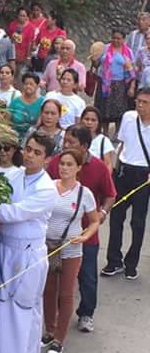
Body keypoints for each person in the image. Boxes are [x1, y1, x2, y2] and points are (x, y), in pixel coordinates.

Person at [0, 134, 58, 353]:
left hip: (28, 254)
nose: (30, 155)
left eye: (37, 152)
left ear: (47, 158)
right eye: (29, 149)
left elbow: (13, 212)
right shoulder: (14, 175)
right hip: (5, 248)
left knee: (24, 307)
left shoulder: (47, 188)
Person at [46, 125, 116, 333]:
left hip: (85, 237)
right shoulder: (56, 164)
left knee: (86, 276)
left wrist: (101, 215)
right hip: (56, 239)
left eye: (71, 143)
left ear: (84, 147)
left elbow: (111, 194)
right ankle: (52, 324)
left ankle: (86, 314)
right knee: (52, 284)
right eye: (65, 141)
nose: (65, 146)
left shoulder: (98, 168)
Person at [41, 149, 100, 353]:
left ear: (78, 168)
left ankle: (59, 338)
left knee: (65, 293)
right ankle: (49, 329)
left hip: (71, 249)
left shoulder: (84, 194)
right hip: (47, 247)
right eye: (62, 164)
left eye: (69, 164)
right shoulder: (49, 187)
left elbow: (94, 221)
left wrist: (85, 237)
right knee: (48, 290)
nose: (64, 168)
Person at [102, 88, 150, 280]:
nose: (140, 105)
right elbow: (121, 144)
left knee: (137, 222)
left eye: (145, 102)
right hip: (124, 170)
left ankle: (132, 263)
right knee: (116, 217)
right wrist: (114, 168)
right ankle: (113, 260)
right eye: (138, 101)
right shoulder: (129, 117)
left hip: (144, 174)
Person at [94, 29, 136, 135]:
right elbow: (97, 64)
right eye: (114, 38)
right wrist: (93, 59)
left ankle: (117, 133)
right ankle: (105, 132)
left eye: (118, 38)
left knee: (119, 110)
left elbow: (132, 71)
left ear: (123, 39)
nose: (116, 40)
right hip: (104, 83)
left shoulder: (127, 52)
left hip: (119, 84)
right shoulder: (105, 48)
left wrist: (131, 86)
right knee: (103, 108)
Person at [8, 73, 43, 139]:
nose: (28, 86)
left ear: (37, 85)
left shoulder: (42, 102)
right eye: (26, 84)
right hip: (14, 136)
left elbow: (39, 124)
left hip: (34, 138)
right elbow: (7, 121)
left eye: (31, 84)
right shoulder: (15, 102)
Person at [81, 106, 116, 171]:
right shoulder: (76, 138)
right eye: (86, 119)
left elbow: (108, 164)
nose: (89, 123)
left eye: (93, 120)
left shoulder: (104, 141)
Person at [7, 7, 37, 79]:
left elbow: (30, 43)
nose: (22, 18)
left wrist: (28, 57)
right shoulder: (13, 25)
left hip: (23, 56)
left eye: (24, 16)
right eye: (21, 15)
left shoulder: (31, 28)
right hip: (12, 55)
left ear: (27, 17)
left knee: (20, 77)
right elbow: (8, 38)